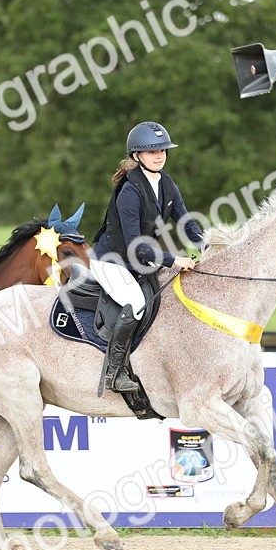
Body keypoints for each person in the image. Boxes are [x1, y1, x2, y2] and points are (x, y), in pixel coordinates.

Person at [90, 121, 202, 394]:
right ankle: (114, 373)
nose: (159, 155)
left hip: (139, 260)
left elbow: (185, 221)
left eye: (162, 150)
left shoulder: (167, 182)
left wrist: (206, 243)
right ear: (137, 156)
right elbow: (135, 246)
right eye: (152, 152)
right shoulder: (130, 191)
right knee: (136, 302)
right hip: (112, 261)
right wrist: (174, 259)